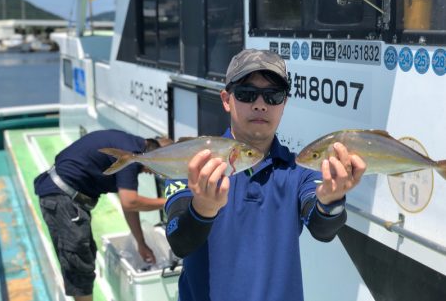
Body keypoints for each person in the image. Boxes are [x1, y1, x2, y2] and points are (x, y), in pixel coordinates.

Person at [164, 49, 367, 301]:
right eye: (247, 94)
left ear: (284, 103)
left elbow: (323, 230)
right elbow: (179, 242)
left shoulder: (300, 169)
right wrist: (203, 208)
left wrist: (330, 201)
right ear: (227, 99)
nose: (260, 104)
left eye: (273, 95)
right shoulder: (195, 164)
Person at [33, 129, 173, 301]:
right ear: (154, 155)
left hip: (67, 198)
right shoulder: (131, 155)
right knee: (78, 264)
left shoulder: (131, 145)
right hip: (62, 198)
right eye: (160, 168)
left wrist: (141, 244)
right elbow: (130, 202)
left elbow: (129, 206)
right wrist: (169, 202)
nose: (154, 173)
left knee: (85, 256)